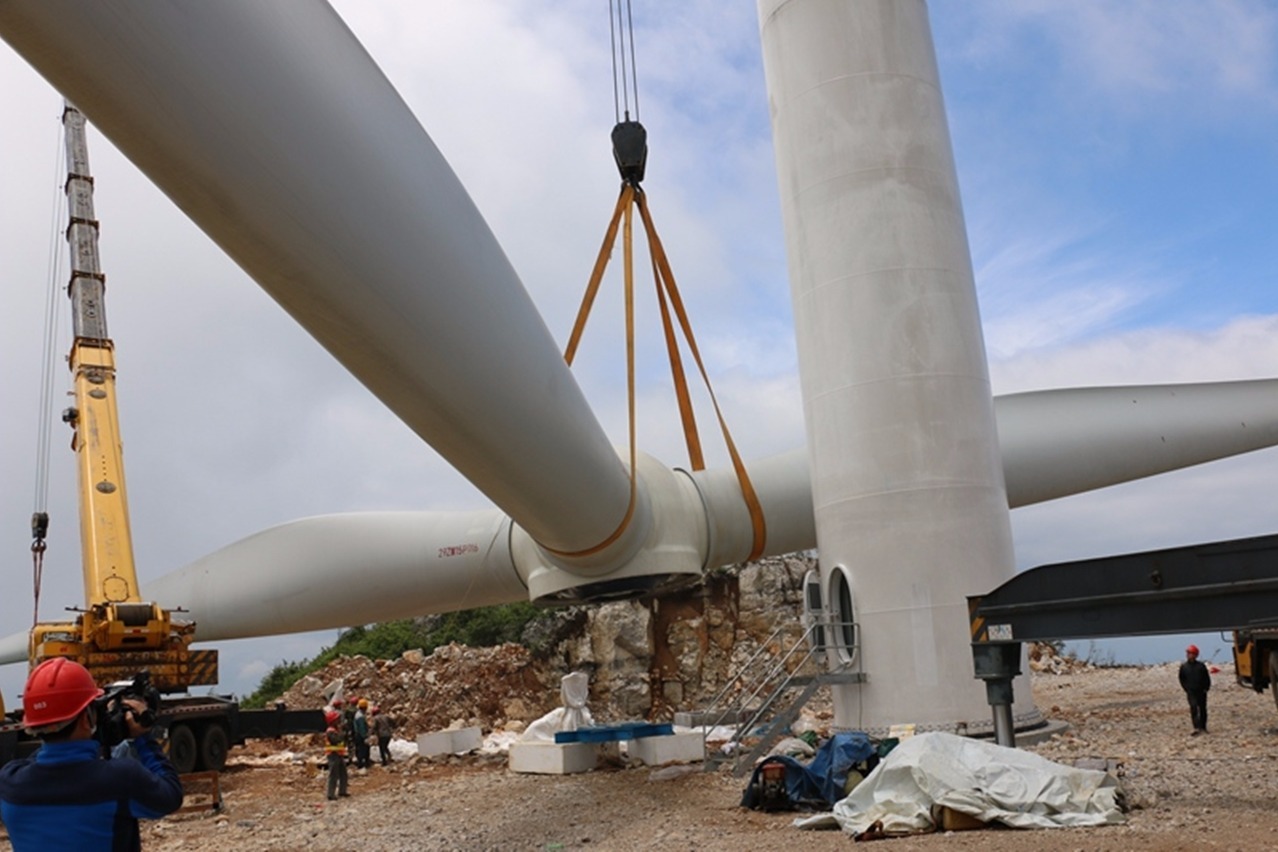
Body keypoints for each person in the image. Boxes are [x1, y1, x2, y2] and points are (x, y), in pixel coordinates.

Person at [0, 657, 184, 851]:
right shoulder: (120, 779)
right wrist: (143, 737)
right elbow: (170, 796)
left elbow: (48, 759)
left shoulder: (10, 783)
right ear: (87, 719)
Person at [1178, 643, 1211, 735]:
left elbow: (1206, 678)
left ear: (1195, 655)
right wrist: (1186, 688)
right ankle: (1196, 727)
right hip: (1191, 691)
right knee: (1193, 708)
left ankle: (1203, 727)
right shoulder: (1184, 667)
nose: (1189, 655)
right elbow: (1181, 678)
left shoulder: (1201, 666)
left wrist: (1206, 688)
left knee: (1203, 709)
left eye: (1191, 653)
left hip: (1201, 691)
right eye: (1188, 653)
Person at [323, 710, 350, 800]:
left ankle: (342, 791)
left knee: (343, 774)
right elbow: (336, 740)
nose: (339, 720)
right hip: (333, 755)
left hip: (339, 754)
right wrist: (343, 733)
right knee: (333, 775)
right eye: (337, 719)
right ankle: (330, 794)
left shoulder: (336, 730)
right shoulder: (330, 731)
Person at [352, 698, 372, 769]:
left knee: (360, 748)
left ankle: (361, 762)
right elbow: (361, 728)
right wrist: (365, 736)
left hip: (358, 735)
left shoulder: (358, 714)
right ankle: (363, 763)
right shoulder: (360, 716)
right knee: (363, 748)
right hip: (360, 735)